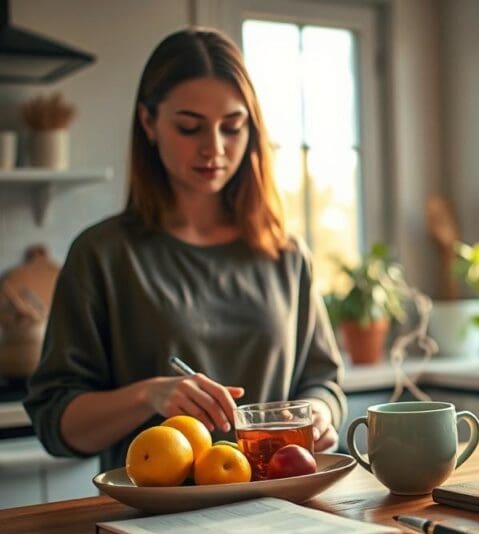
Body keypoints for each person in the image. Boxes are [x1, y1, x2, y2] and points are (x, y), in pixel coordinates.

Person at [24, 28, 346, 472]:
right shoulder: (102, 255)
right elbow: (55, 422)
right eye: (190, 127)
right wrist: (148, 395)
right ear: (148, 122)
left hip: (283, 502)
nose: (214, 148)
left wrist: (320, 413)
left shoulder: (286, 255)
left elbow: (323, 382)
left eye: (232, 127)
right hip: (152, 509)